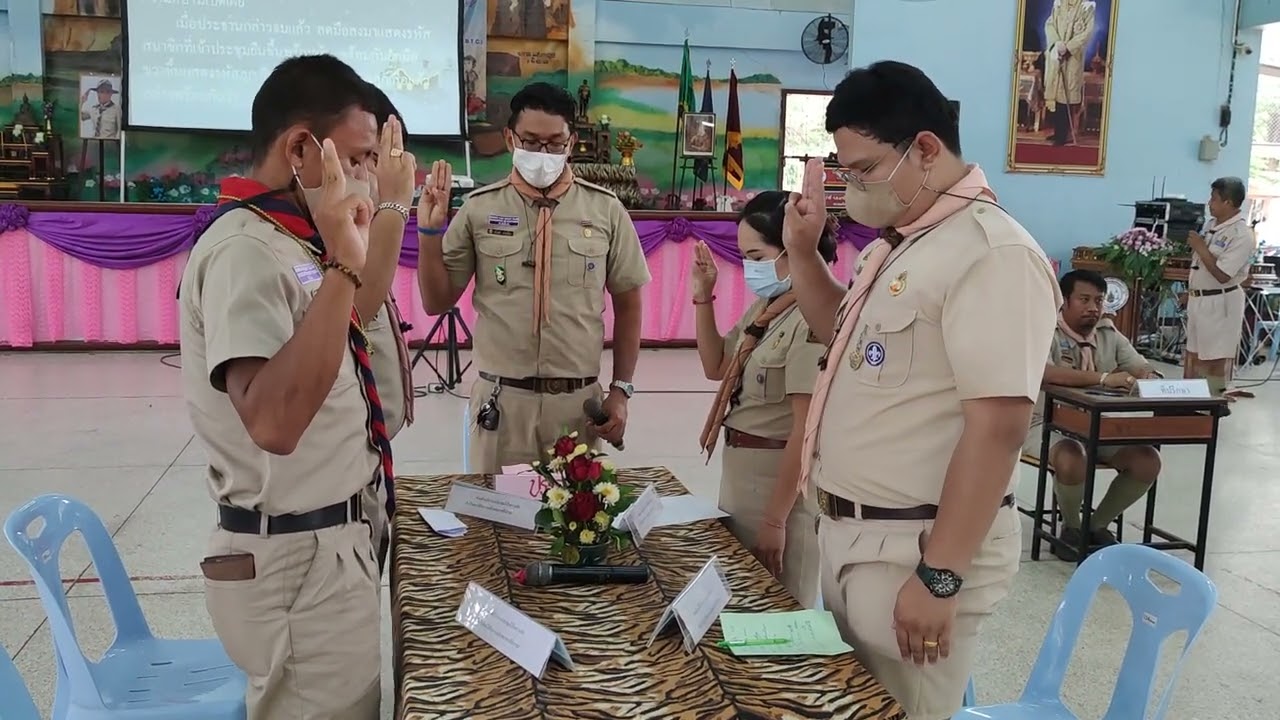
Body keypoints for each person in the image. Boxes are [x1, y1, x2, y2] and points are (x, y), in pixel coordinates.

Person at [781, 61, 1060, 719]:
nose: (854, 188)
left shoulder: (991, 253)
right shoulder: (900, 245)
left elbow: (999, 429)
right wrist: (802, 253)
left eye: (865, 170)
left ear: (926, 149)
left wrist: (940, 576)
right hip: (855, 538)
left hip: (916, 551)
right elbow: (844, 340)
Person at [178, 54, 393, 719]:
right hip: (295, 562)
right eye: (356, 159)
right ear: (300, 149)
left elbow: (344, 332)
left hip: (327, 544)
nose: (365, 177)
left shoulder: (291, 240)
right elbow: (273, 422)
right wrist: (343, 265)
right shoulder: (245, 250)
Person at [416, 81, 649, 471]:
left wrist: (621, 390)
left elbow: (629, 305)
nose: (542, 153)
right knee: (497, 510)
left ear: (571, 143)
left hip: (577, 406)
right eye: (530, 142)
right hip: (502, 405)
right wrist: (428, 233)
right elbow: (436, 302)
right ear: (510, 139)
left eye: (554, 143)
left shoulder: (605, 210)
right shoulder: (479, 209)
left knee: (575, 511)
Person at [693, 191, 833, 607]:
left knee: (780, 606)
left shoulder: (811, 319)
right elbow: (717, 365)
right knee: (745, 602)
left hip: (777, 486)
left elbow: (804, 430)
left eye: (757, 256)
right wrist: (703, 296)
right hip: (741, 475)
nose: (749, 268)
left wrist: (775, 519)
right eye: (743, 258)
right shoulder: (768, 308)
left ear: (793, 250)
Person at [1024, 269, 1161, 560]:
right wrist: (1103, 379)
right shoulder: (1045, 330)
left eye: (1098, 300)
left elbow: (1139, 365)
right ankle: (1071, 528)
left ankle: (1094, 526)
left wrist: (1148, 376)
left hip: (1096, 423)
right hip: (1045, 422)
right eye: (1084, 300)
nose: (1093, 308)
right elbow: (1045, 373)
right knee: (1072, 456)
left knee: (1147, 460)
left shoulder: (1108, 333)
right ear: (1064, 301)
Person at [359, 82, 419, 575]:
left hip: (367, 463)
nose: (380, 172)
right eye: (370, 158)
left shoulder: (358, 230)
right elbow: (356, 312)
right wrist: (395, 206)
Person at [1185, 176, 1257, 404]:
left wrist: (1200, 247)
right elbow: (1201, 266)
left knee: (1214, 357)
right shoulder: (1211, 226)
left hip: (1221, 302)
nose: (1209, 203)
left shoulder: (1241, 234)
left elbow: (1223, 275)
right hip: (1200, 300)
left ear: (1229, 202)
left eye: (1214, 199)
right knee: (1193, 354)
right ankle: (1186, 403)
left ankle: (1211, 403)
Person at [1043, 0, 1097, 146]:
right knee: (1057, 96)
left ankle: (1063, 134)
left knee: (1066, 95)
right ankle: (1057, 132)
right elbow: (1050, 24)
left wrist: (1068, 47)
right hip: (1057, 55)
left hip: (1073, 57)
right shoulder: (1059, 4)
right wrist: (1057, 43)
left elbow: (1087, 32)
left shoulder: (1086, 7)